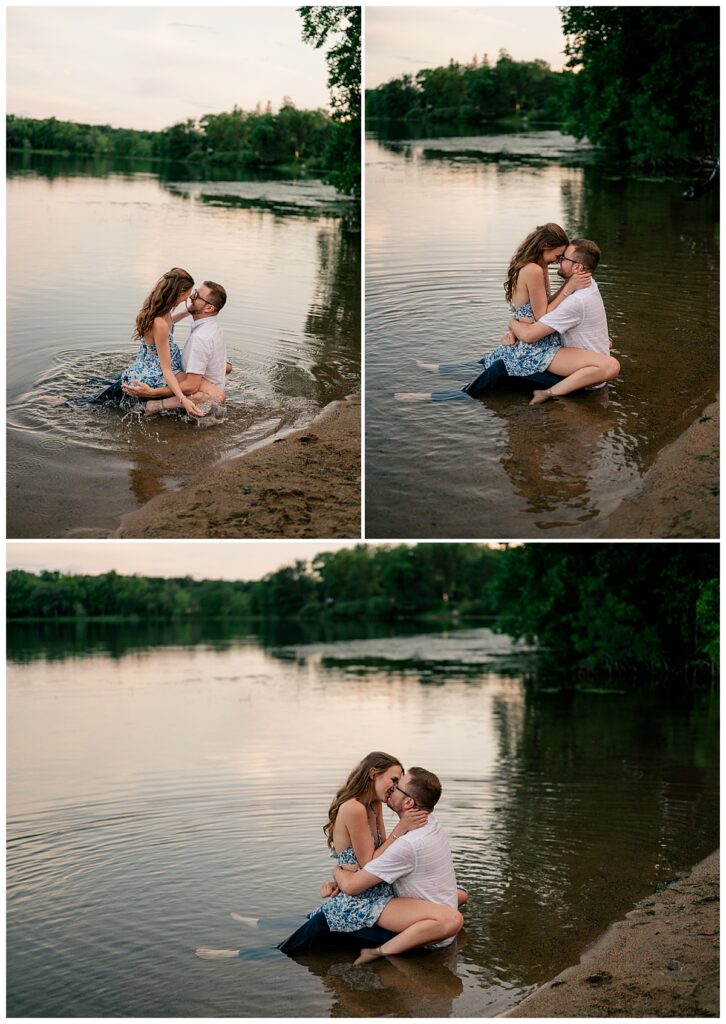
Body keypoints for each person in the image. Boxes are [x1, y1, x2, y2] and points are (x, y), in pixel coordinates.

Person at [397, 225, 619, 404]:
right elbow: (543, 314)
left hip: (538, 339)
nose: (558, 261)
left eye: (563, 258)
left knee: (495, 362)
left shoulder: (539, 270)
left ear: (578, 267)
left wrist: (513, 325)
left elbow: (543, 312)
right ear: (544, 247)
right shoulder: (540, 272)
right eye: (558, 255)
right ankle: (436, 387)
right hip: (537, 339)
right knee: (496, 362)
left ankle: (436, 380)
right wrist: (514, 325)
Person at [323, 760, 464, 965]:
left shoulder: (408, 842)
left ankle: (379, 952)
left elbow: (355, 882)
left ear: (408, 803)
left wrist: (337, 871)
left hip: (381, 899)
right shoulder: (432, 824)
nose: (392, 789)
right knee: (460, 894)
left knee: (452, 916)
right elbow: (378, 860)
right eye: (394, 781)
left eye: (397, 785)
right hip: (378, 891)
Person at [122, 279, 230, 414]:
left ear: (209, 308)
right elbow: (167, 369)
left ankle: (156, 405)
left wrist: (185, 312)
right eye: (193, 293)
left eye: (196, 295)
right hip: (160, 370)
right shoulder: (213, 328)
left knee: (216, 395)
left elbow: (169, 324)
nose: (191, 297)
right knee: (217, 395)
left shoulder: (198, 336)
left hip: (165, 367)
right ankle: (154, 405)